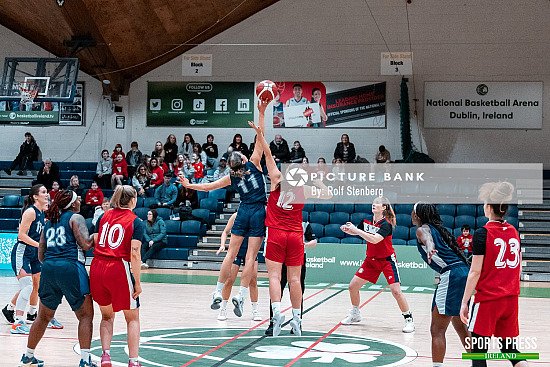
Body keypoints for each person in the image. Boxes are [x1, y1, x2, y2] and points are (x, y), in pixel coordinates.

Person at [179, 102, 268, 319]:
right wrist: (262, 112)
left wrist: (190, 185)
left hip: (243, 210)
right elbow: (261, 138)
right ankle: (241, 294)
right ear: (244, 160)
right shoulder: (254, 164)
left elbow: (208, 187)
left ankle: (217, 291)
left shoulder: (231, 177)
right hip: (258, 211)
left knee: (231, 253)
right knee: (250, 258)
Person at [246, 119, 329, 337]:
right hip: (295, 236)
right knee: (294, 279)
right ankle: (297, 320)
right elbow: (329, 194)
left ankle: (276, 316)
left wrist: (259, 133)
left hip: (275, 233)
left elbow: (267, 154)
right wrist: (314, 178)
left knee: (274, 277)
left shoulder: (276, 179)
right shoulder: (305, 190)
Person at [18, 190, 95, 367]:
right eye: (78, 199)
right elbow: (86, 244)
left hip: (49, 268)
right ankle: (85, 360)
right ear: (72, 204)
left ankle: (28, 356)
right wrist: (96, 237)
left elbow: (41, 255)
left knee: (43, 316)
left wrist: (54, 263)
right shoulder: (76, 218)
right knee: (85, 316)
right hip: (70, 266)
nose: (80, 201)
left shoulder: (49, 222)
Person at [460, 182, 529, 367]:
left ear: (489, 208)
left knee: (479, 353)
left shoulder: (483, 233)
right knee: (509, 350)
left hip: (488, 301)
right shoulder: (514, 231)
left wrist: (465, 301)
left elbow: (474, 272)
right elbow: (518, 268)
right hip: (510, 300)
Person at [340, 196, 415, 332]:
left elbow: (375, 240)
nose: (374, 205)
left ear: (384, 207)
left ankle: (408, 319)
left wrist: (356, 231)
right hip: (371, 260)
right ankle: (355, 314)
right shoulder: (366, 222)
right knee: (352, 286)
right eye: (373, 203)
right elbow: (359, 233)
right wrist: (348, 230)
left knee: (396, 291)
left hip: (387, 260)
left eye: (377, 203)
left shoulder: (386, 224)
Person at [90, 185, 144, 367]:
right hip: (118, 268)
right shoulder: (136, 221)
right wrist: (137, 282)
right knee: (132, 318)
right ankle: (133, 361)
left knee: (106, 316)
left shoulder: (103, 216)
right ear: (132, 200)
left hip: (97, 267)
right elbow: (135, 254)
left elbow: (96, 241)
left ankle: (105, 356)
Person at [412, 203, 471, 366]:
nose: (411, 214)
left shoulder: (422, 229)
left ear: (417, 215)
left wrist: (430, 246)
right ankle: (479, 363)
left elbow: (426, 238)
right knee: (460, 325)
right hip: (463, 273)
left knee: (437, 330)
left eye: (412, 211)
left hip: (452, 275)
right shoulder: (439, 229)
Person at [7, 185, 48, 334]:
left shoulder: (42, 213)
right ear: (35, 196)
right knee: (28, 286)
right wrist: (40, 245)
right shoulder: (30, 211)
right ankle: (18, 323)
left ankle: (29, 313)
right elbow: (21, 235)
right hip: (22, 252)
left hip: (34, 253)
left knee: (37, 284)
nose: (47, 194)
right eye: (43, 192)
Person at [265, 221, 317, 336]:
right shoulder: (279, 223)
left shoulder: (305, 224)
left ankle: (297, 323)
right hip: (281, 257)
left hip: (298, 256)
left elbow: (314, 241)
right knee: (278, 288)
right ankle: (272, 323)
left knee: (298, 288)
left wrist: (305, 244)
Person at [214, 212, 262, 321]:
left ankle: (255, 310)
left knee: (253, 281)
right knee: (230, 280)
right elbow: (225, 232)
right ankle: (223, 309)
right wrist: (222, 245)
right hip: (236, 252)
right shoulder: (236, 216)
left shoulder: (256, 216)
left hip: (251, 253)